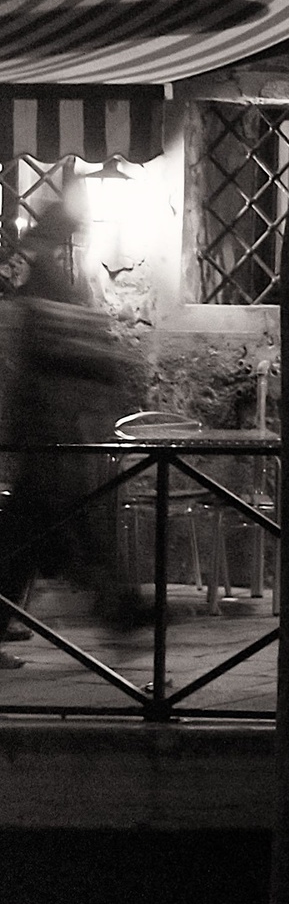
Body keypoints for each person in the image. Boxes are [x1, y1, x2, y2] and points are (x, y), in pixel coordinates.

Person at [0, 205, 141, 661]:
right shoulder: (52, 285)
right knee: (56, 538)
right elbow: (81, 355)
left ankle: (124, 613)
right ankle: (124, 614)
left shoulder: (45, 285)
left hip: (46, 437)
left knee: (29, 542)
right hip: (50, 436)